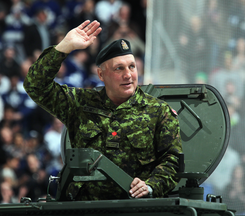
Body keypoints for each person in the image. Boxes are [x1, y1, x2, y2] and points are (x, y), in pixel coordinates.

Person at [24, 20, 182, 200]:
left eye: (132, 67)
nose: (128, 75)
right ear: (101, 75)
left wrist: (151, 185)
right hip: (84, 210)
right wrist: (63, 48)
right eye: (119, 68)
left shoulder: (158, 111)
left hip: (134, 209)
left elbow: (172, 161)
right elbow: (35, 85)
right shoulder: (80, 104)